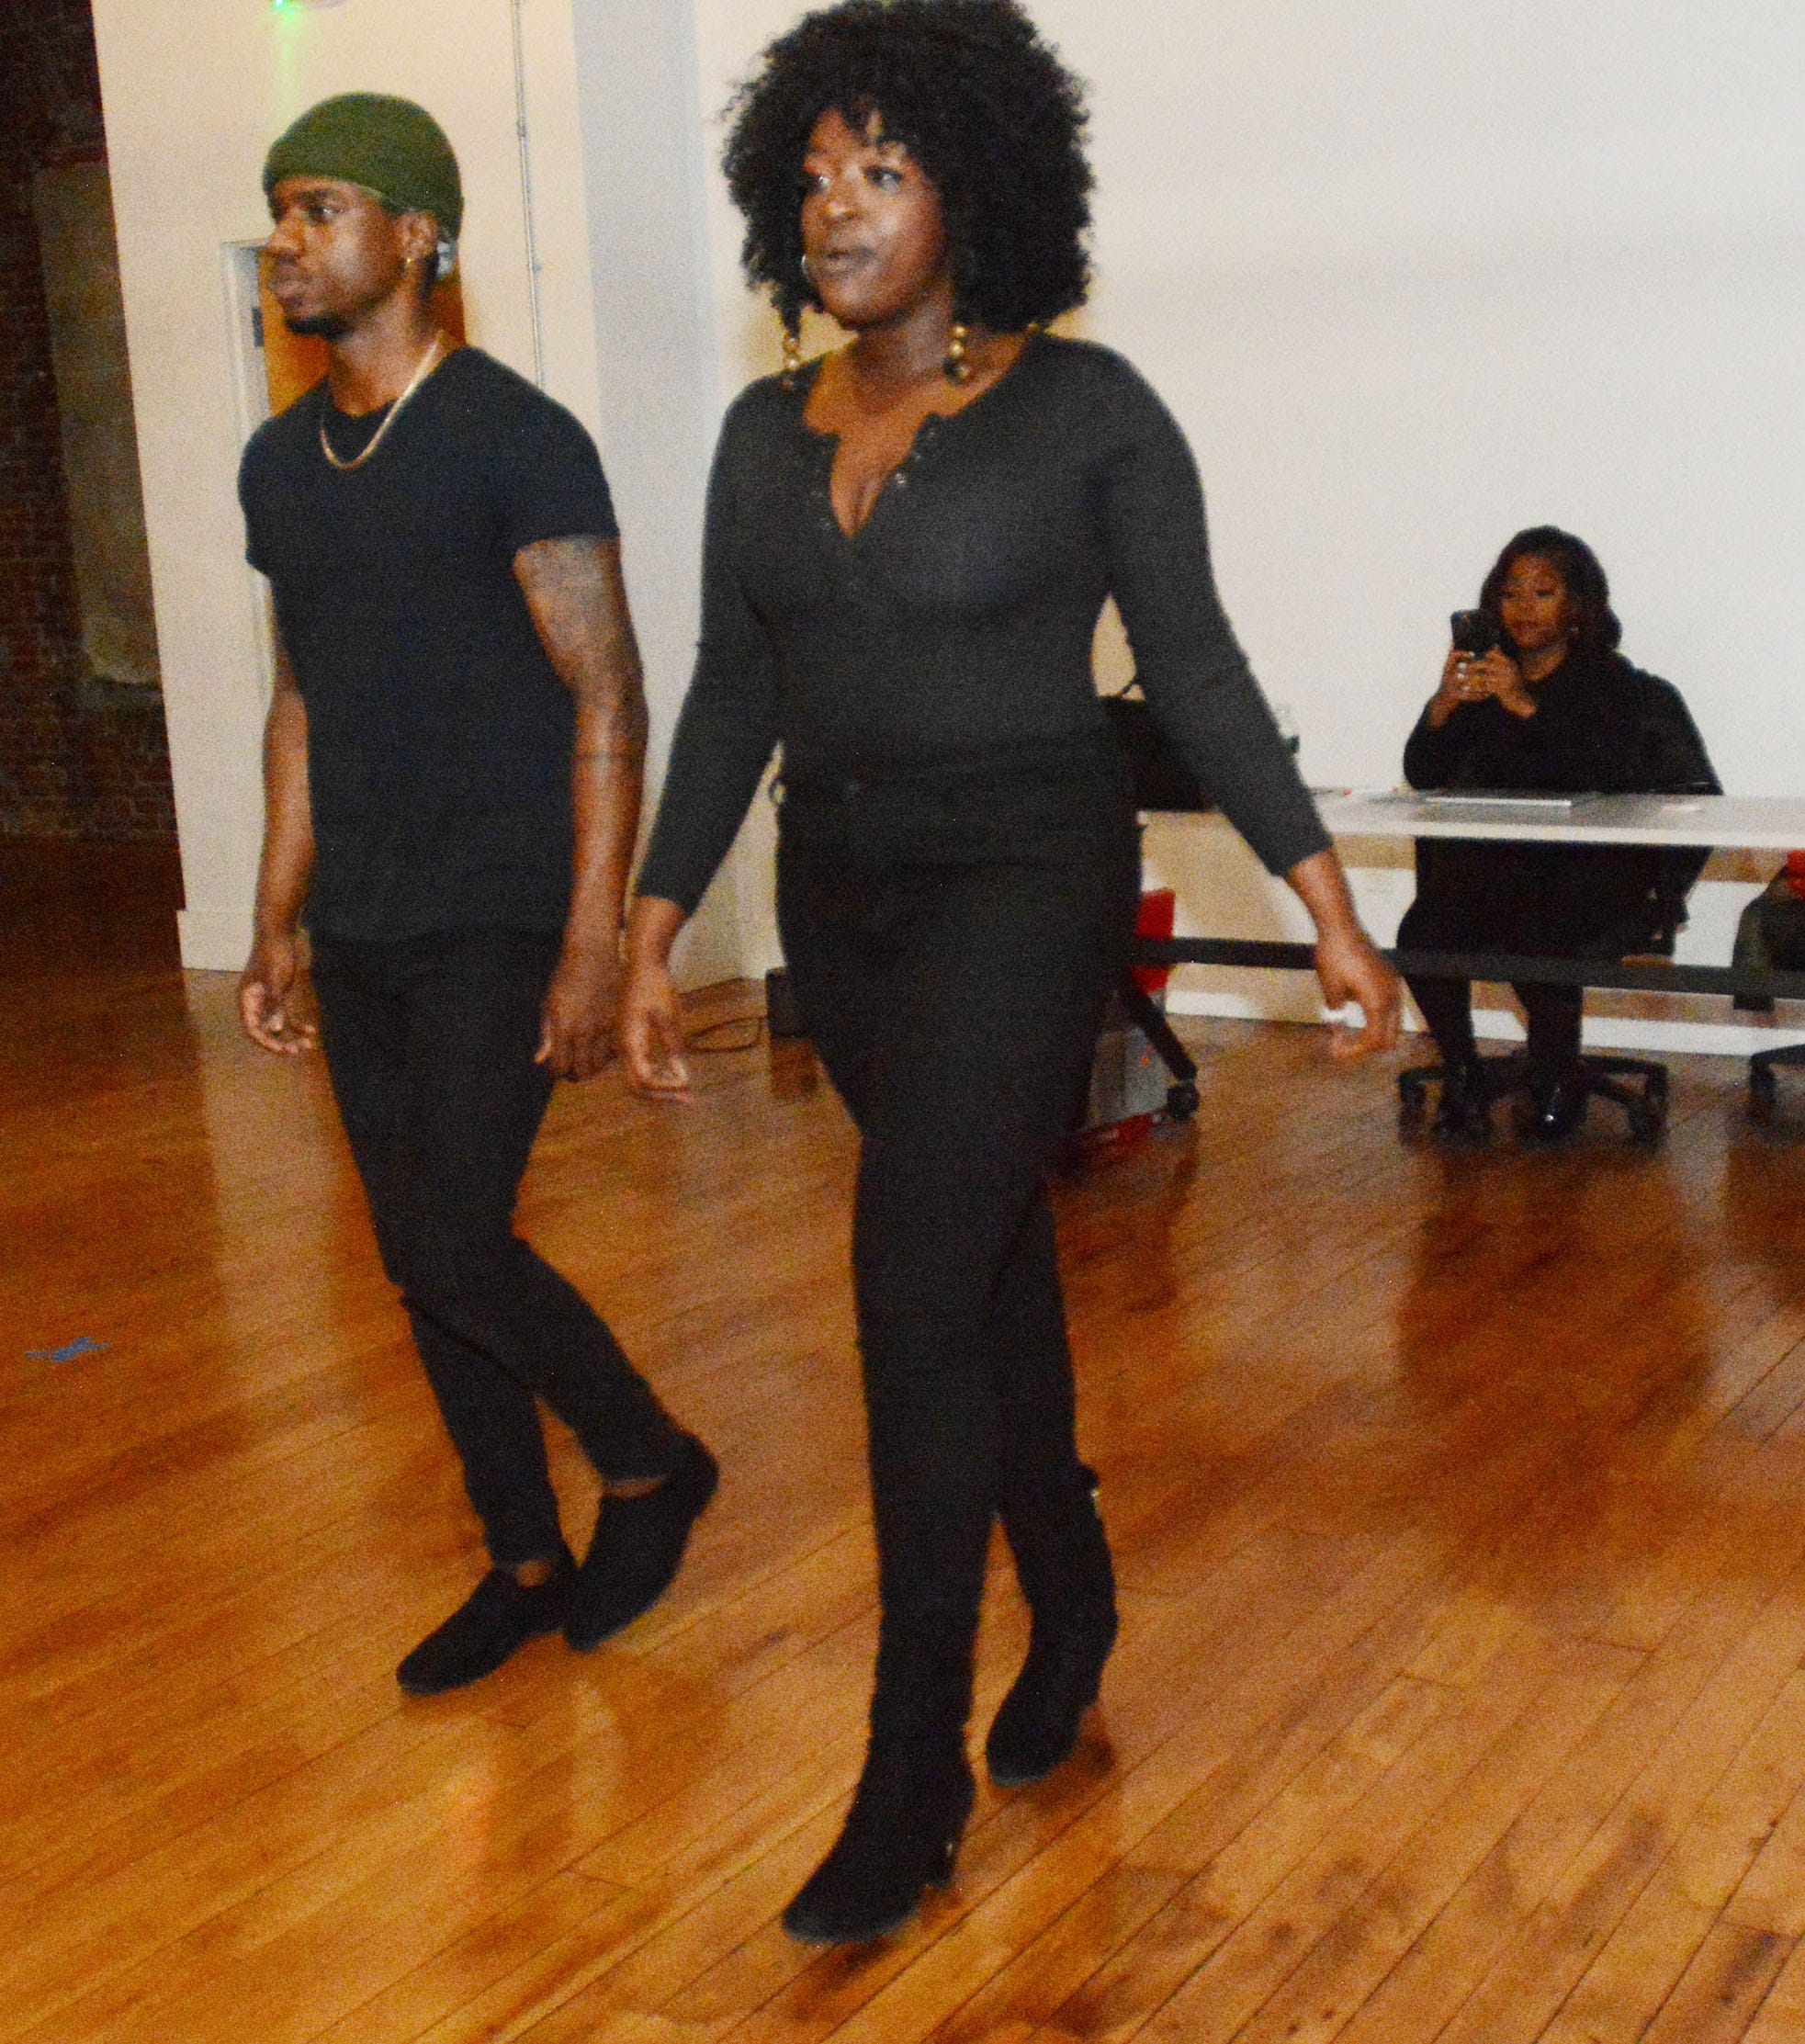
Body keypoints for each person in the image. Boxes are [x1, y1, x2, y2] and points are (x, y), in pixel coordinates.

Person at [616, 0, 1400, 1946]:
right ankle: (1073, 1589)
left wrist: (1321, 900)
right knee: (973, 1258)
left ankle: (909, 1784)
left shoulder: (1088, 412)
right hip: (844, 896)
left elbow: (1194, 666)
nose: (838, 206)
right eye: (814, 174)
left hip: (1028, 875)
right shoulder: (760, 433)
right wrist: (645, 924)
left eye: (881, 169)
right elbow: (729, 688)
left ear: (973, 188)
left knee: (908, 1278)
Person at [236, 94, 716, 1698]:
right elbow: (300, 700)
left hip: (501, 908)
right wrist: (273, 915)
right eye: (279, 211)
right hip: (363, 913)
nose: (287, 239)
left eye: (320, 208)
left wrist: (595, 939)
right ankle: (522, 1558)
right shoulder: (279, 464)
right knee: (418, 1254)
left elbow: (608, 692)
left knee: (448, 1239)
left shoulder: (517, 436)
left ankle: (650, 1460)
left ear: (418, 233)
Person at [1398, 526, 1720, 1142]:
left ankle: (1555, 1075)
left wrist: (1523, 705)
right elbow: (1424, 773)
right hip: (1501, 869)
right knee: (1423, 933)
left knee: (1535, 933)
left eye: (1542, 593)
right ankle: (1463, 1072)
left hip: (1598, 875)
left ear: (1577, 606)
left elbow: (1599, 776)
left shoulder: (1617, 688)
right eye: (1510, 592)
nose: (1523, 607)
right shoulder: (1487, 681)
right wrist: (1443, 705)